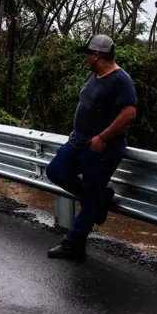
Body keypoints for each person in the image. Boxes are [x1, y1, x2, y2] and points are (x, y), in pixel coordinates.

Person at [45, 34, 137, 261]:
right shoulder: (93, 75)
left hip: (103, 147)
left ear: (97, 55)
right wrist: (79, 128)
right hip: (78, 141)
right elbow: (88, 105)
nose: (85, 57)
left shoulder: (120, 79)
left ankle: (74, 244)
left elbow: (129, 113)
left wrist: (103, 137)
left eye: (87, 53)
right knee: (56, 171)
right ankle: (100, 199)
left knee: (92, 193)